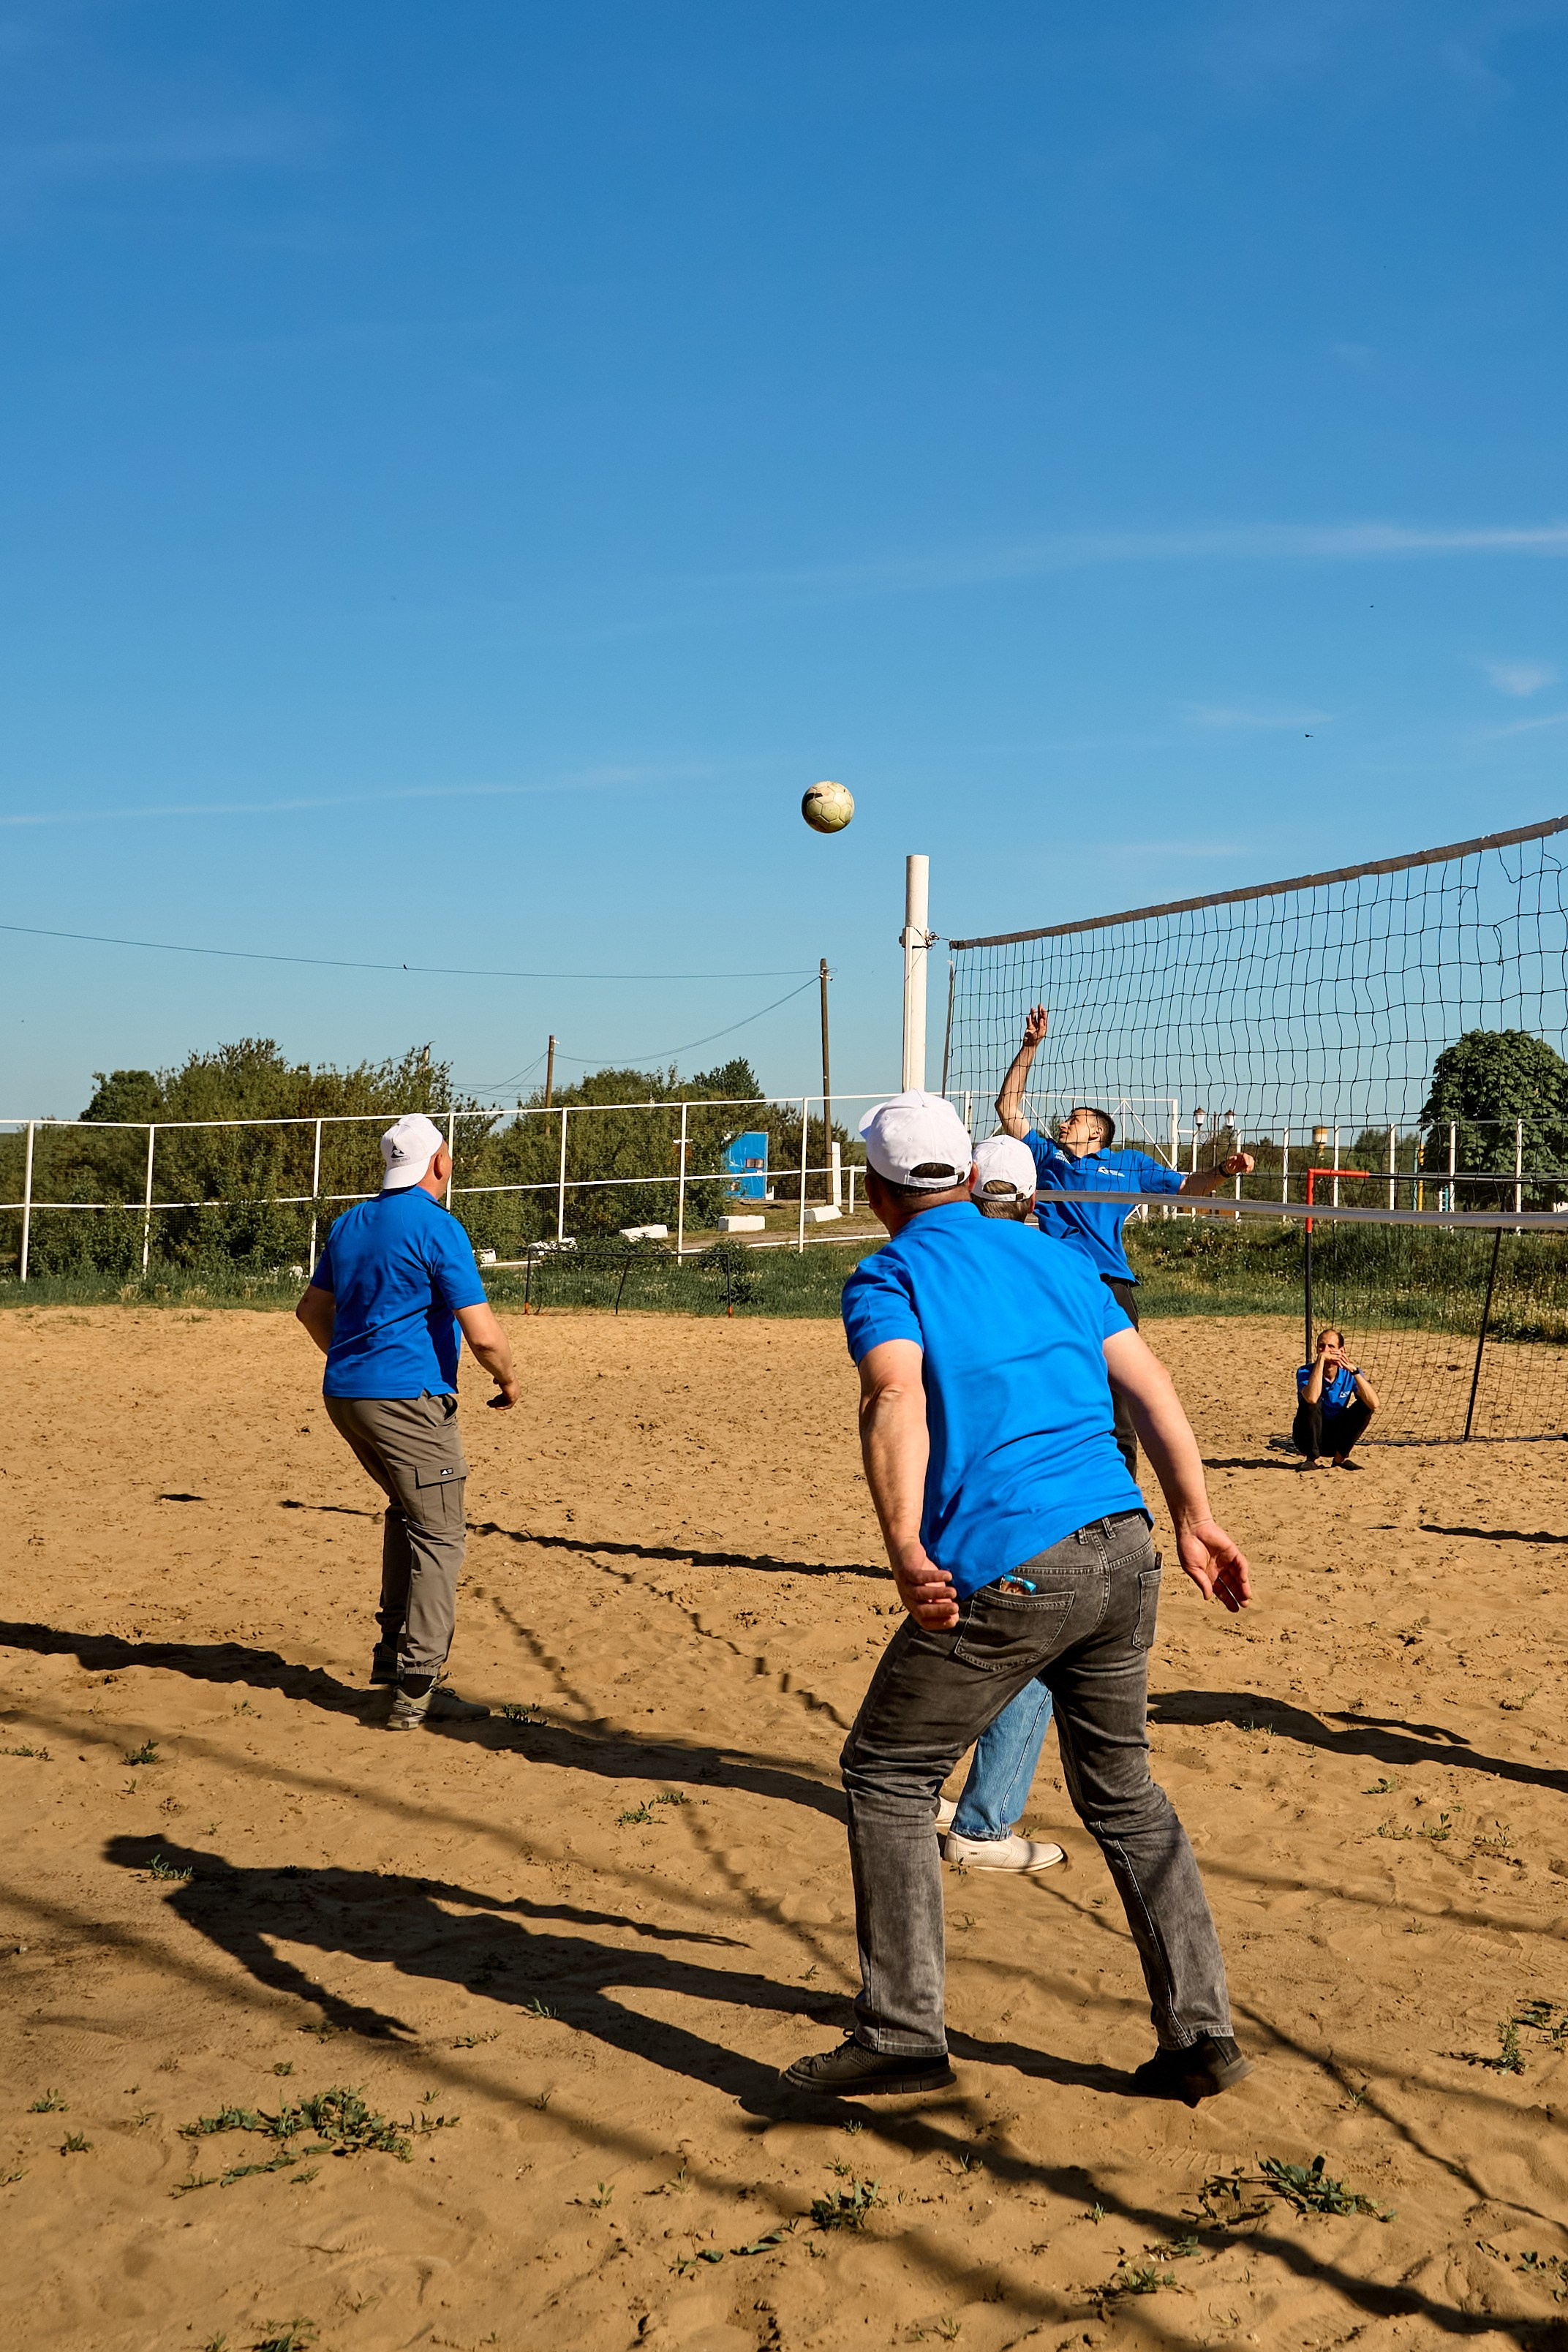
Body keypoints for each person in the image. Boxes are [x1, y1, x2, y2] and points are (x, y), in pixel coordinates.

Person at [782, 1091, 1254, 2106]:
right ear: (965, 1174)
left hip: (1013, 1561)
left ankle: (904, 2032)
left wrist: (905, 1543)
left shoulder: (891, 1272)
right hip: (1124, 1545)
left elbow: (896, 1395)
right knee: (1124, 1793)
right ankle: (1201, 2032)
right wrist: (1195, 1514)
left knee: (889, 1772)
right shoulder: (1058, 1257)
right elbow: (1153, 1387)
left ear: (875, 1192)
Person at [295, 1112, 521, 1731]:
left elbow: (311, 1309)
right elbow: (483, 1335)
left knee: (408, 1513)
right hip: (410, 1402)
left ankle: (392, 1660)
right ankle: (418, 1686)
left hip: (347, 1395)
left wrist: (352, 1361)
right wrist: (506, 1380)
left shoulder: (350, 1223)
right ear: (440, 1164)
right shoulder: (438, 1227)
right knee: (442, 1535)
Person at [995, 1006, 1256, 1475]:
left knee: (1122, 1406)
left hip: (1110, 1287)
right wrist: (1030, 1046)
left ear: (1097, 1131)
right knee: (1053, 1396)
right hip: (1058, 1284)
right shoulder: (1047, 1158)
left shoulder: (1129, 1164)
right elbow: (1007, 1107)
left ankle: (1123, 1504)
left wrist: (1223, 1171)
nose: (1063, 1124)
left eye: (1073, 1119)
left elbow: (1188, 1189)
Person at [935, 1133, 1066, 1875]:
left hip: (953, 1494)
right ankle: (983, 1828)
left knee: (959, 1644)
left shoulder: (929, 1263)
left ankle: (921, 1785)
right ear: (1032, 1201)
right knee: (1031, 1661)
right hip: (1024, 1497)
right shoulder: (1054, 1268)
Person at [1294, 1327, 1379, 1469]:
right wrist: (1321, 1360)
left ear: (1342, 1351)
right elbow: (1312, 1398)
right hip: (1308, 1436)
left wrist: (1355, 1372)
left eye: (1331, 1346)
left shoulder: (1348, 1373)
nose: (1326, 1350)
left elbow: (1374, 1404)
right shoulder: (1305, 1371)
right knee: (1310, 1401)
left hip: (1336, 1437)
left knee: (1365, 1405)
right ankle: (1312, 1459)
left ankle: (1340, 1459)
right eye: (1322, 1346)